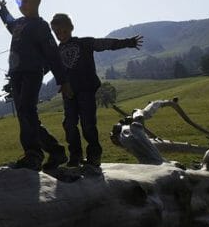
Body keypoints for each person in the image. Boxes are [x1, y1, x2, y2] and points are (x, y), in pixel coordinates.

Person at [0, 0, 73, 171]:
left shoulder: (40, 25)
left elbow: (53, 54)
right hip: (16, 74)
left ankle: (33, 154)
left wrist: (63, 81)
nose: (21, 4)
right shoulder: (20, 24)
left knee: (27, 110)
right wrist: (4, 10)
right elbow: (10, 23)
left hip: (32, 72)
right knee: (25, 115)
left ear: (37, 1)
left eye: (24, 0)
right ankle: (55, 151)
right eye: (18, 1)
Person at [49, 13, 141, 167]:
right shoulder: (56, 52)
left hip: (86, 90)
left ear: (70, 28)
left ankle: (94, 156)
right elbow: (48, 67)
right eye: (57, 33)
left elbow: (105, 44)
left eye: (63, 31)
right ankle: (75, 156)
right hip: (68, 93)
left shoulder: (84, 43)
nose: (61, 35)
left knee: (88, 124)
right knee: (69, 124)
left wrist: (128, 42)